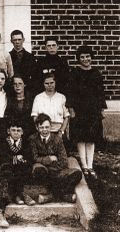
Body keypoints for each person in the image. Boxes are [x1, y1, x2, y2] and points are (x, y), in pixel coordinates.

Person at [67, 45, 107, 178]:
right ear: (79, 58)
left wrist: (101, 109)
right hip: (79, 110)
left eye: (87, 56)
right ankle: (84, 165)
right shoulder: (74, 73)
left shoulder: (96, 73)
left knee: (91, 138)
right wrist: (71, 108)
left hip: (93, 110)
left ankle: (90, 166)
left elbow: (101, 93)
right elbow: (71, 93)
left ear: (91, 57)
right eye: (82, 57)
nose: (85, 59)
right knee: (81, 138)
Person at [30, 113, 82, 204]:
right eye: (41, 127)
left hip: (56, 170)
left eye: (47, 127)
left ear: (50, 127)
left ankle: (51, 196)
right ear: (37, 128)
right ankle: (64, 195)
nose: (44, 130)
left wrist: (53, 168)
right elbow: (34, 158)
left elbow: (64, 161)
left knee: (77, 174)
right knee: (38, 170)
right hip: (43, 169)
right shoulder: (33, 139)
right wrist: (49, 159)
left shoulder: (57, 139)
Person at [0, 119, 36, 206]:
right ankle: (19, 195)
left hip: (21, 168)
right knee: (8, 169)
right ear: (8, 131)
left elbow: (29, 157)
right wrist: (16, 158)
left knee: (22, 168)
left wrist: (22, 160)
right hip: (8, 167)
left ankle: (19, 195)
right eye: (13, 130)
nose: (16, 133)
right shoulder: (3, 143)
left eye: (18, 130)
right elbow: (3, 156)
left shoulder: (26, 143)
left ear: (22, 132)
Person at [31, 73, 70, 137]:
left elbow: (66, 117)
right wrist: (40, 130)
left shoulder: (62, 97)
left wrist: (61, 131)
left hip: (58, 131)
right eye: (46, 83)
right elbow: (35, 116)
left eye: (52, 83)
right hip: (43, 131)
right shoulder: (38, 97)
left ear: (55, 83)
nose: (49, 85)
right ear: (43, 84)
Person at [9, 30, 38, 96]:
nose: (17, 42)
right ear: (11, 41)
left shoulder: (30, 57)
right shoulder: (7, 56)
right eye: (15, 40)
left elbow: (34, 75)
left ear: (23, 40)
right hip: (11, 89)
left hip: (27, 90)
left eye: (19, 39)